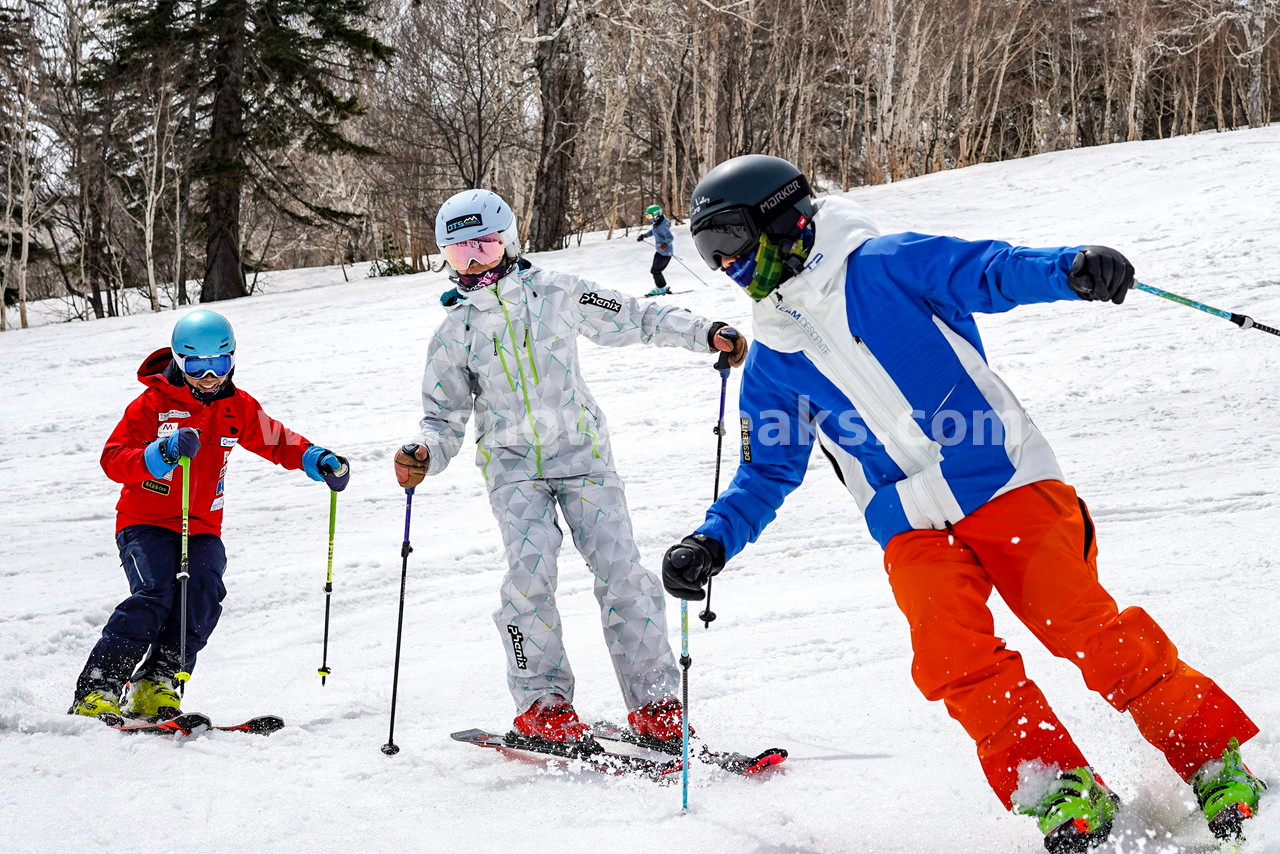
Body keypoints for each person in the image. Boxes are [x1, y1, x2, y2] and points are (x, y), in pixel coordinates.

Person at [661, 154, 1266, 851]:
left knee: (1086, 629)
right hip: (908, 523)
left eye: (731, 240)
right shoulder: (773, 359)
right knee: (952, 657)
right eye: (710, 254)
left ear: (783, 216)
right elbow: (767, 469)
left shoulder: (884, 264)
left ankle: (1216, 760)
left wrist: (1069, 269)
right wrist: (712, 540)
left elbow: (990, 270)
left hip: (1003, 479)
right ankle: (1058, 783)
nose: (728, 265)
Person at [396, 188, 747, 747]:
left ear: (509, 242)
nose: (473, 263)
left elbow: (635, 317)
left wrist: (704, 331)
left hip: (585, 461)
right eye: (459, 253)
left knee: (624, 575)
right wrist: (423, 454)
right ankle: (543, 703)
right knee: (528, 583)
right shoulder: (454, 332)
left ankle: (656, 703)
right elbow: (443, 419)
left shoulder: (559, 293)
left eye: (483, 247)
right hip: (514, 473)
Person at [70, 310, 350, 723]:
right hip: (144, 522)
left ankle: (156, 684)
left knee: (202, 592)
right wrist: (160, 452)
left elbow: (276, 440)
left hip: (200, 525)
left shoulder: (235, 407)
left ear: (232, 359)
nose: (208, 376)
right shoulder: (151, 405)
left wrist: (314, 458)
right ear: (179, 362)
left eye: (217, 364)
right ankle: (99, 686)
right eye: (196, 365)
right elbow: (112, 460)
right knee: (157, 592)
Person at [636, 203, 674, 297]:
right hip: (659, 252)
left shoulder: (663, 225)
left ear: (656, 215)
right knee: (655, 270)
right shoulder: (657, 224)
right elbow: (652, 232)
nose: (648, 218)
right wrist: (644, 236)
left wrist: (665, 244)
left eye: (649, 216)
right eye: (647, 216)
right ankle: (660, 287)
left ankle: (661, 288)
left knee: (655, 271)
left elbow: (670, 237)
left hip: (665, 253)